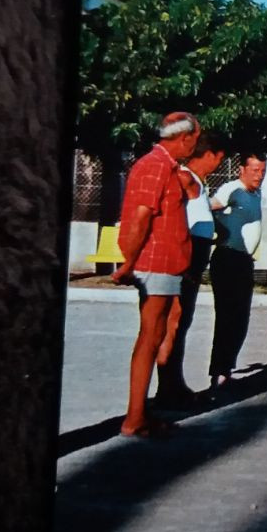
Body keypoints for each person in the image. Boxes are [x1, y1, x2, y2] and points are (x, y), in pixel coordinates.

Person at [108, 111, 199, 437]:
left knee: (159, 331)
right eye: (194, 139)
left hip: (167, 263)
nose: (195, 145)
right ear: (183, 137)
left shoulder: (168, 168)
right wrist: (129, 263)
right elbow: (140, 218)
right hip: (155, 263)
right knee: (149, 337)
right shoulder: (155, 165)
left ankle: (143, 411)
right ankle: (134, 419)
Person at [152, 132, 226, 407]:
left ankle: (174, 382)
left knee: (182, 323)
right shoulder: (182, 178)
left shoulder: (196, 182)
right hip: (182, 259)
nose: (218, 165)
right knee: (173, 322)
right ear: (208, 155)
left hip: (193, 259)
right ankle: (166, 388)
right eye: (218, 159)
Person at [207, 153, 266, 387]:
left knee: (241, 317)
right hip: (226, 258)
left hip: (244, 261)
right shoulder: (230, 189)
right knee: (226, 316)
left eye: (262, 171)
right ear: (241, 169)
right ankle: (218, 372)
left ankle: (227, 367)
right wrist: (216, 230)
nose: (259, 176)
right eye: (254, 171)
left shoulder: (257, 193)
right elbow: (207, 207)